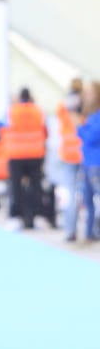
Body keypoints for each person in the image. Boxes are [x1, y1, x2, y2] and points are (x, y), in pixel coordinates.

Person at [4, 88, 48, 230]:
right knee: (36, 186)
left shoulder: (12, 111)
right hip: (35, 153)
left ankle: (16, 217)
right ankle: (35, 217)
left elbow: (3, 130)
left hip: (16, 154)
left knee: (16, 187)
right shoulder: (38, 111)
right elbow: (45, 131)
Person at [56, 80, 83, 242]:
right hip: (85, 152)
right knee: (88, 194)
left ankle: (70, 230)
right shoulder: (87, 105)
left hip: (68, 153)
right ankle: (90, 230)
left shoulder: (63, 106)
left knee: (71, 194)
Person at [76, 80, 100, 243]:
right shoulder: (89, 115)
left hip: (95, 163)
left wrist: (80, 128)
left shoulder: (97, 116)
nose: (86, 96)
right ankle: (90, 232)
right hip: (87, 162)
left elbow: (92, 137)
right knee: (87, 199)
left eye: (90, 92)